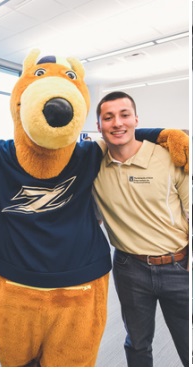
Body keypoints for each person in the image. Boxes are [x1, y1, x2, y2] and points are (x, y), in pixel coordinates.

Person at [93, 91, 189, 367]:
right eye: (108, 117)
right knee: (137, 342)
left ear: (137, 118)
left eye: (125, 115)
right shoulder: (94, 163)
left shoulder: (172, 156)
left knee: (188, 343)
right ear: (99, 126)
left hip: (179, 266)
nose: (117, 123)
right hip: (129, 267)